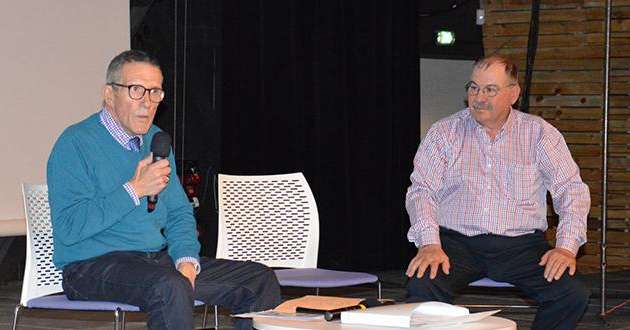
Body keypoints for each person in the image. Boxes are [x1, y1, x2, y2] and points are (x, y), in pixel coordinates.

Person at [47, 50, 281, 330]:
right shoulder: (75, 144)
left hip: (154, 262)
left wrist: (186, 260)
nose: (147, 102)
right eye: (136, 90)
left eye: (155, 91)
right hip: (90, 266)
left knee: (257, 279)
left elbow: (180, 213)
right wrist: (134, 189)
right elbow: (69, 227)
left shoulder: (157, 142)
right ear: (109, 95)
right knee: (169, 286)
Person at [404, 55, 591, 330]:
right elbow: (422, 190)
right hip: (456, 244)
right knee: (423, 285)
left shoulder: (539, 134)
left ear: (513, 94)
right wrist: (429, 244)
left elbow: (571, 190)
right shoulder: (444, 132)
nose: (479, 97)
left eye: (490, 89)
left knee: (571, 295)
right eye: (473, 87)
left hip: (522, 247)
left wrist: (565, 248)